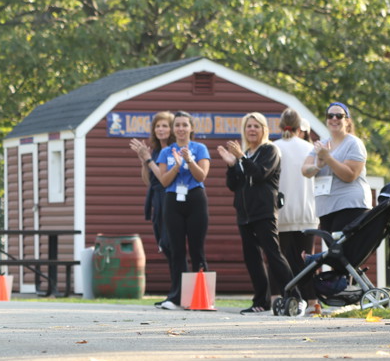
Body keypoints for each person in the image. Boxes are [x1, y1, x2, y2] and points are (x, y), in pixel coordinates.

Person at [218, 112, 300, 314]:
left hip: (264, 211)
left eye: (256, 126)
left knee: (273, 254)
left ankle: (294, 296)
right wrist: (231, 166)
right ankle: (261, 301)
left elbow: (259, 173)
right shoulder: (246, 153)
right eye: (249, 126)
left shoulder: (269, 150)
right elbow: (233, 185)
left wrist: (240, 158)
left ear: (264, 130)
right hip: (245, 214)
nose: (252, 129)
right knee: (252, 258)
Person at [155, 111, 210, 310]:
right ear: (173, 129)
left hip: (195, 198)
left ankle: (200, 297)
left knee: (197, 249)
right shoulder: (166, 152)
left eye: (185, 125)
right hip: (173, 200)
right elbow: (164, 181)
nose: (181, 129)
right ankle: (176, 297)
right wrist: (176, 166)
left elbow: (201, 176)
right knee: (177, 249)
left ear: (191, 128)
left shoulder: (199, 148)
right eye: (177, 125)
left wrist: (189, 160)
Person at [273, 109, 321, 315]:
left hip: (281, 212)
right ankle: (312, 301)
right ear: (300, 127)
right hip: (306, 212)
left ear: (280, 126)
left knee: (280, 258)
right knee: (305, 260)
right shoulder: (310, 149)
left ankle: (282, 298)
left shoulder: (274, 148)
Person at [129, 111, 179, 307]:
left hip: (170, 199)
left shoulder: (174, 150)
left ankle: (177, 293)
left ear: (172, 129)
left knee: (170, 244)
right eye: (157, 126)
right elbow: (149, 180)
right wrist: (144, 161)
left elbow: (164, 179)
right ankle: (173, 292)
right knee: (164, 245)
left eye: (165, 126)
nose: (160, 129)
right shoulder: (156, 152)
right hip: (156, 200)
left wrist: (149, 159)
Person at [301, 102, 371, 234]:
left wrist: (327, 158)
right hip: (326, 209)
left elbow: (350, 175)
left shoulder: (354, 143)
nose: (334, 119)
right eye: (330, 116)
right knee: (333, 246)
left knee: (342, 247)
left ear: (347, 121)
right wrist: (317, 166)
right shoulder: (321, 145)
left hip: (349, 206)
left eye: (339, 116)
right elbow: (305, 170)